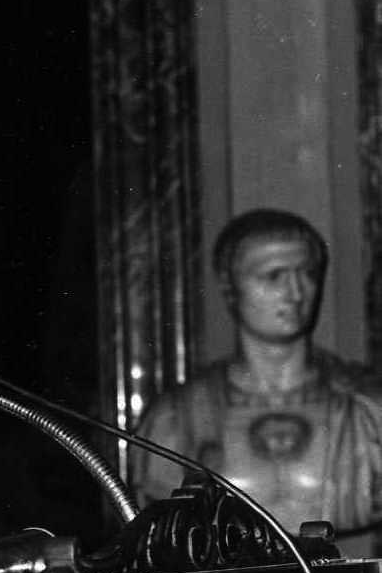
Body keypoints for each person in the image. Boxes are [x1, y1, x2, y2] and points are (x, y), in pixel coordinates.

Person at [132, 207, 382, 536]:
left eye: (307, 273)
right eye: (273, 276)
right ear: (230, 287)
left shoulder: (367, 409)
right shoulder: (176, 418)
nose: (296, 293)